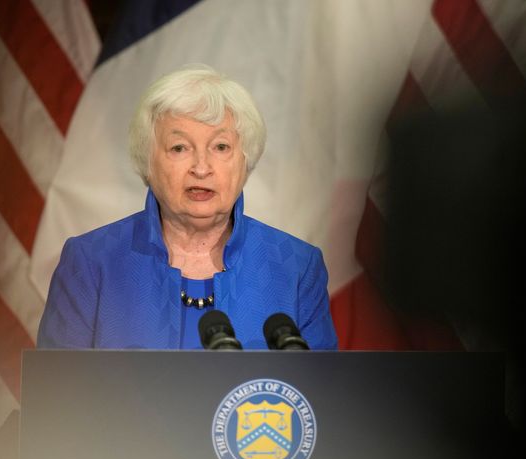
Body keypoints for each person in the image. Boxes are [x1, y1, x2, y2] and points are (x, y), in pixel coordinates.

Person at [37, 65, 337, 350]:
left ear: (245, 161)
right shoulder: (91, 262)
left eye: (221, 147)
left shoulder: (295, 267)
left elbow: (321, 393)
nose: (202, 168)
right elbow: (58, 391)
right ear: (147, 162)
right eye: (179, 148)